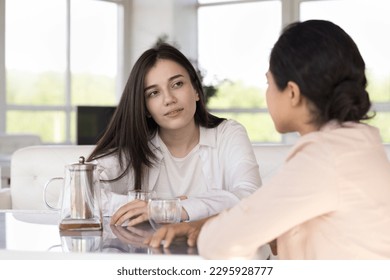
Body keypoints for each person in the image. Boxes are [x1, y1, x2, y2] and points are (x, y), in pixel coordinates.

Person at [145, 20, 390, 259]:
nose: (267, 93)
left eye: (268, 82)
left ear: (292, 93)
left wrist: (205, 228)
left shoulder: (322, 158)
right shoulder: (355, 145)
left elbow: (219, 243)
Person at [87, 43, 262, 236]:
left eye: (177, 84)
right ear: (145, 108)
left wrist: (169, 209)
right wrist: (163, 205)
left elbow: (250, 198)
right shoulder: (136, 147)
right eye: (154, 93)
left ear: (196, 90)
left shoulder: (228, 134)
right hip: (154, 259)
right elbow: (81, 195)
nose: (169, 99)